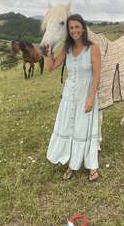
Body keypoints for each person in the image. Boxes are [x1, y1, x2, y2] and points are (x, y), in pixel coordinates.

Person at [44, 14, 101, 181]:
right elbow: (51, 67)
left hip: (86, 94)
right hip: (69, 94)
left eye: (77, 27)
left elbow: (97, 75)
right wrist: (47, 53)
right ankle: (70, 163)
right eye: (71, 28)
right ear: (68, 31)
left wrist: (91, 98)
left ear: (82, 28)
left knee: (85, 128)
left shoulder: (93, 48)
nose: (74, 30)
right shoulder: (67, 49)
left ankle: (92, 166)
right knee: (69, 126)